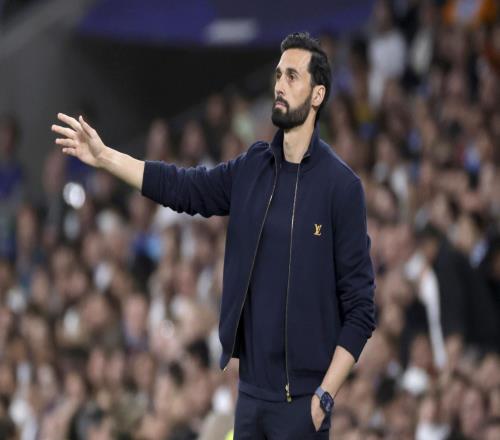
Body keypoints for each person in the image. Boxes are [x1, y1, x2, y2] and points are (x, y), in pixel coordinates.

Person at [51, 32, 376, 439]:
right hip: (250, 395)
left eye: (292, 76)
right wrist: (105, 157)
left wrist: (324, 396)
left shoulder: (341, 188)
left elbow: (361, 308)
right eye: (278, 74)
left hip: (303, 402)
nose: (279, 84)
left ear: (317, 94)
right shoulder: (253, 167)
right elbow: (183, 188)